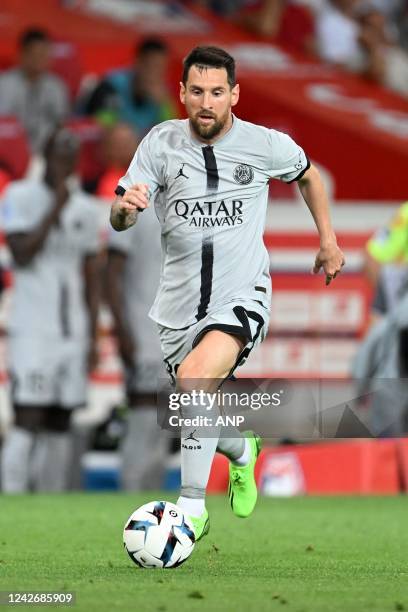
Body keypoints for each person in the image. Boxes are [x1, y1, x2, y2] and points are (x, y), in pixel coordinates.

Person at [110, 46, 344, 540]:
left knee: (195, 380)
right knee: (194, 406)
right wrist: (127, 211)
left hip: (242, 296)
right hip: (176, 308)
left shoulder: (264, 144)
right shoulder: (160, 143)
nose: (207, 102)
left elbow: (308, 175)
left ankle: (190, 510)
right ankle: (243, 449)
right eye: (197, 91)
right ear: (182, 93)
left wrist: (328, 240)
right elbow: (120, 215)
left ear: (234, 94)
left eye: (217, 92)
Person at [1, 129, 100, 493]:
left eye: (72, 156)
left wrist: (92, 335)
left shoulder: (87, 209)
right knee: (28, 414)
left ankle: (50, 500)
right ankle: (11, 496)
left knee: (62, 417)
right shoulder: (17, 196)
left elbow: (91, 277)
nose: (66, 163)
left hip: (71, 328)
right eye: (60, 153)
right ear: (44, 152)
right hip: (32, 328)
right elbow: (20, 253)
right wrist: (55, 206)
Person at [106, 203, 168, 490]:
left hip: (178, 332)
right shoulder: (135, 205)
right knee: (144, 409)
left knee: (166, 415)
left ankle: (152, 502)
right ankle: (129, 494)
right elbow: (112, 274)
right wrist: (122, 330)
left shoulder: (190, 205)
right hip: (142, 329)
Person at [83, 38, 177, 134]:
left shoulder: (162, 97)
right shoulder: (112, 85)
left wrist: (163, 105)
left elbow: (173, 134)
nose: (154, 75)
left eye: (161, 69)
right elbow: (99, 122)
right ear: (138, 62)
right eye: (151, 67)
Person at [0, 29, 69, 154]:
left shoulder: (56, 86)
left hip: (46, 155)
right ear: (22, 54)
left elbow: (62, 124)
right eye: (36, 55)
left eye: (45, 55)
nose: (40, 60)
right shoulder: (4, 84)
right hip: (9, 153)